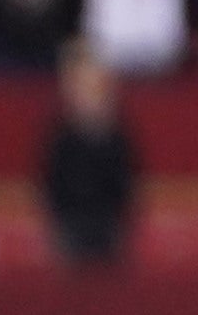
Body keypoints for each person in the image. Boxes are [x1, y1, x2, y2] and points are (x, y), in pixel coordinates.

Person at [39, 37, 138, 269]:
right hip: (69, 227)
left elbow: (127, 182)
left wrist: (118, 222)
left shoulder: (118, 136)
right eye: (84, 88)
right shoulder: (60, 136)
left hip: (109, 228)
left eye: (96, 88)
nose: (90, 96)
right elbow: (50, 181)